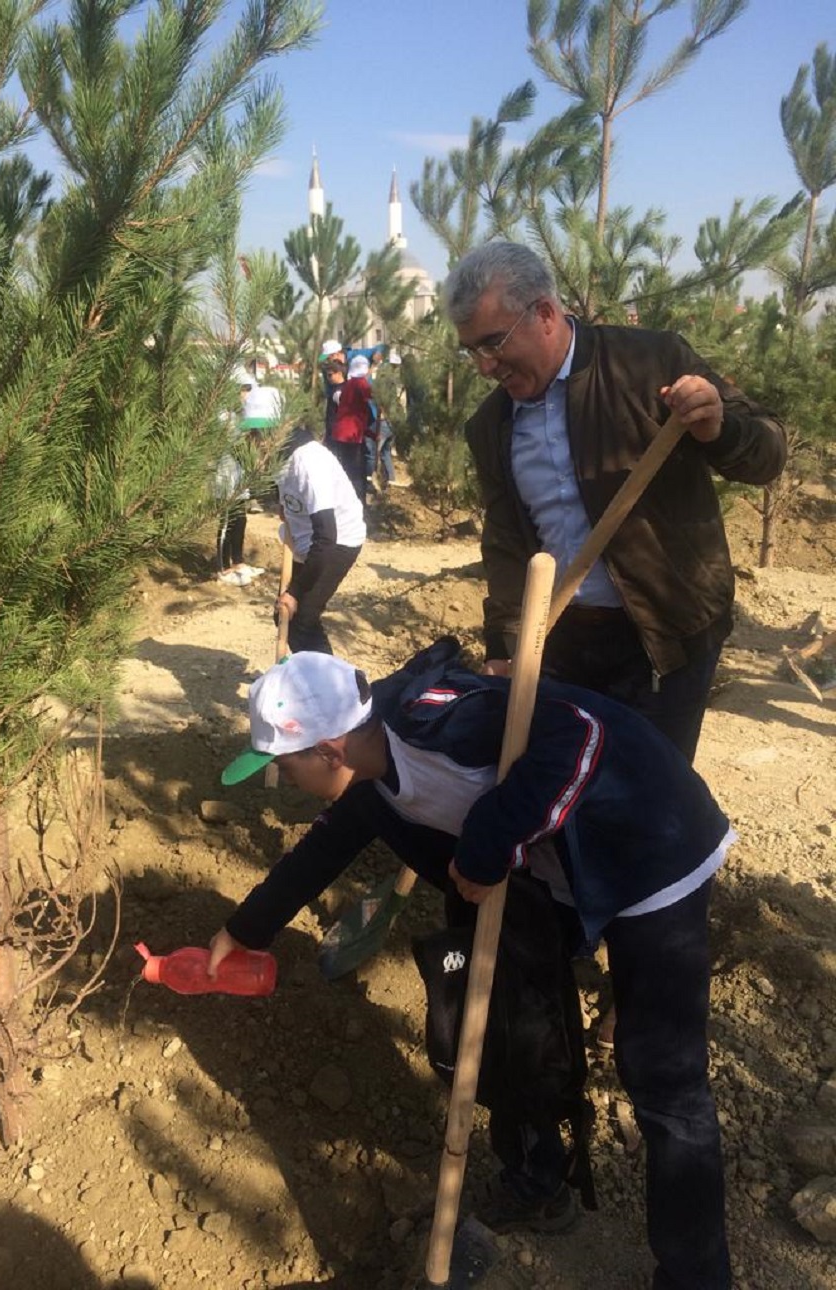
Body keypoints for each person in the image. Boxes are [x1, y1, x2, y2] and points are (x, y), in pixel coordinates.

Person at [211, 637, 735, 1290]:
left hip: (651, 848)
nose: (280, 779)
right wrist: (245, 931)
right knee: (503, 1030)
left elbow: (580, 736)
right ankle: (539, 1180)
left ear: (327, 749)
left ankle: (697, 1277)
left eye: (281, 764)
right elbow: (327, 845)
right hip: (549, 867)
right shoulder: (371, 777)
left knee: (662, 1077)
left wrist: (489, 841)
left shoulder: (435, 719)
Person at [442, 241, 787, 764]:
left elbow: (767, 454)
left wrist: (720, 428)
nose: (485, 367)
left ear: (546, 313)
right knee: (566, 793)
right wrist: (504, 647)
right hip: (561, 642)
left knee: (649, 799)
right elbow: (507, 542)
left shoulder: (651, 364)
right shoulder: (491, 427)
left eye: (494, 344)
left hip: (667, 632)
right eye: (472, 351)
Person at [274, 423, 366, 654]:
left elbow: (326, 538)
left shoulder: (309, 464)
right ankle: (307, 676)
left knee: (302, 620)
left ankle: (329, 686)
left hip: (338, 541)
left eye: (254, 435)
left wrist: (295, 591)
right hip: (305, 540)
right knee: (284, 614)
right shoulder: (278, 454)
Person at [213, 384, 279, 587]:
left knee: (240, 520)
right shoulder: (224, 417)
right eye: (245, 391)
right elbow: (233, 447)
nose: (248, 396)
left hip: (239, 477)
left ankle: (238, 561)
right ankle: (223, 568)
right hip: (226, 477)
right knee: (227, 523)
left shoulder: (245, 417)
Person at [329, 354, 374, 502]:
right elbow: (374, 399)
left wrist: (372, 435)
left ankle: (347, 499)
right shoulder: (361, 383)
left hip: (342, 433)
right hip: (351, 435)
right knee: (355, 471)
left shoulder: (348, 384)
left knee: (347, 468)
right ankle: (357, 502)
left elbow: (355, 414)